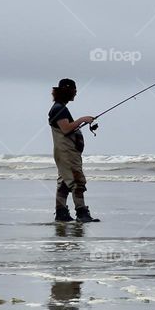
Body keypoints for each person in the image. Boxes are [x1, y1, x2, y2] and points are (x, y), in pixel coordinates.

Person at [48, 78, 99, 222]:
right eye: (74, 90)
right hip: (67, 153)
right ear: (67, 91)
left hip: (66, 152)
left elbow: (67, 128)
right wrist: (82, 119)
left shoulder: (59, 108)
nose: (76, 93)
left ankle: (61, 213)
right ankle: (82, 213)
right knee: (77, 181)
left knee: (64, 182)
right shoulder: (59, 109)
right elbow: (65, 129)